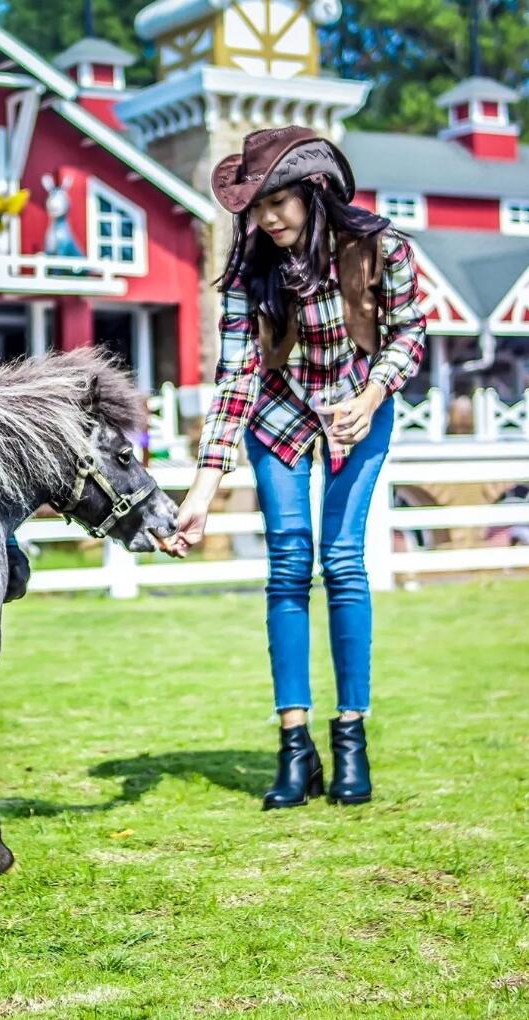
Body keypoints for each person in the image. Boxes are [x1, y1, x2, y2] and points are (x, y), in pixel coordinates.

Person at [172, 126, 426, 809]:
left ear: (313, 191)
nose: (268, 218)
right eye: (256, 207)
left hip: (359, 409)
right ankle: (294, 745)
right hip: (278, 412)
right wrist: (203, 487)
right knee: (287, 562)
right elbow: (236, 376)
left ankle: (351, 737)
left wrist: (373, 396)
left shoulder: (381, 245)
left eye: (278, 201)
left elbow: (410, 331)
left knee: (342, 560)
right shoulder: (248, 270)